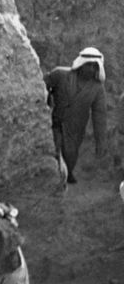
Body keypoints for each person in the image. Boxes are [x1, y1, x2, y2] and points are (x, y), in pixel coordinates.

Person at [45, 47, 107, 185]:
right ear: (81, 64)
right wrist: (47, 100)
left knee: (71, 155)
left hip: (76, 129)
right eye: (88, 65)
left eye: (94, 66)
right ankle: (55, 180)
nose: (91, 69)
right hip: (55, 123)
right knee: (54, 151)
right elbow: (42, 85)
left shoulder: (97, 88)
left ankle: (67, 174)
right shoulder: (60, 74)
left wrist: (100, 142)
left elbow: (100, 116)